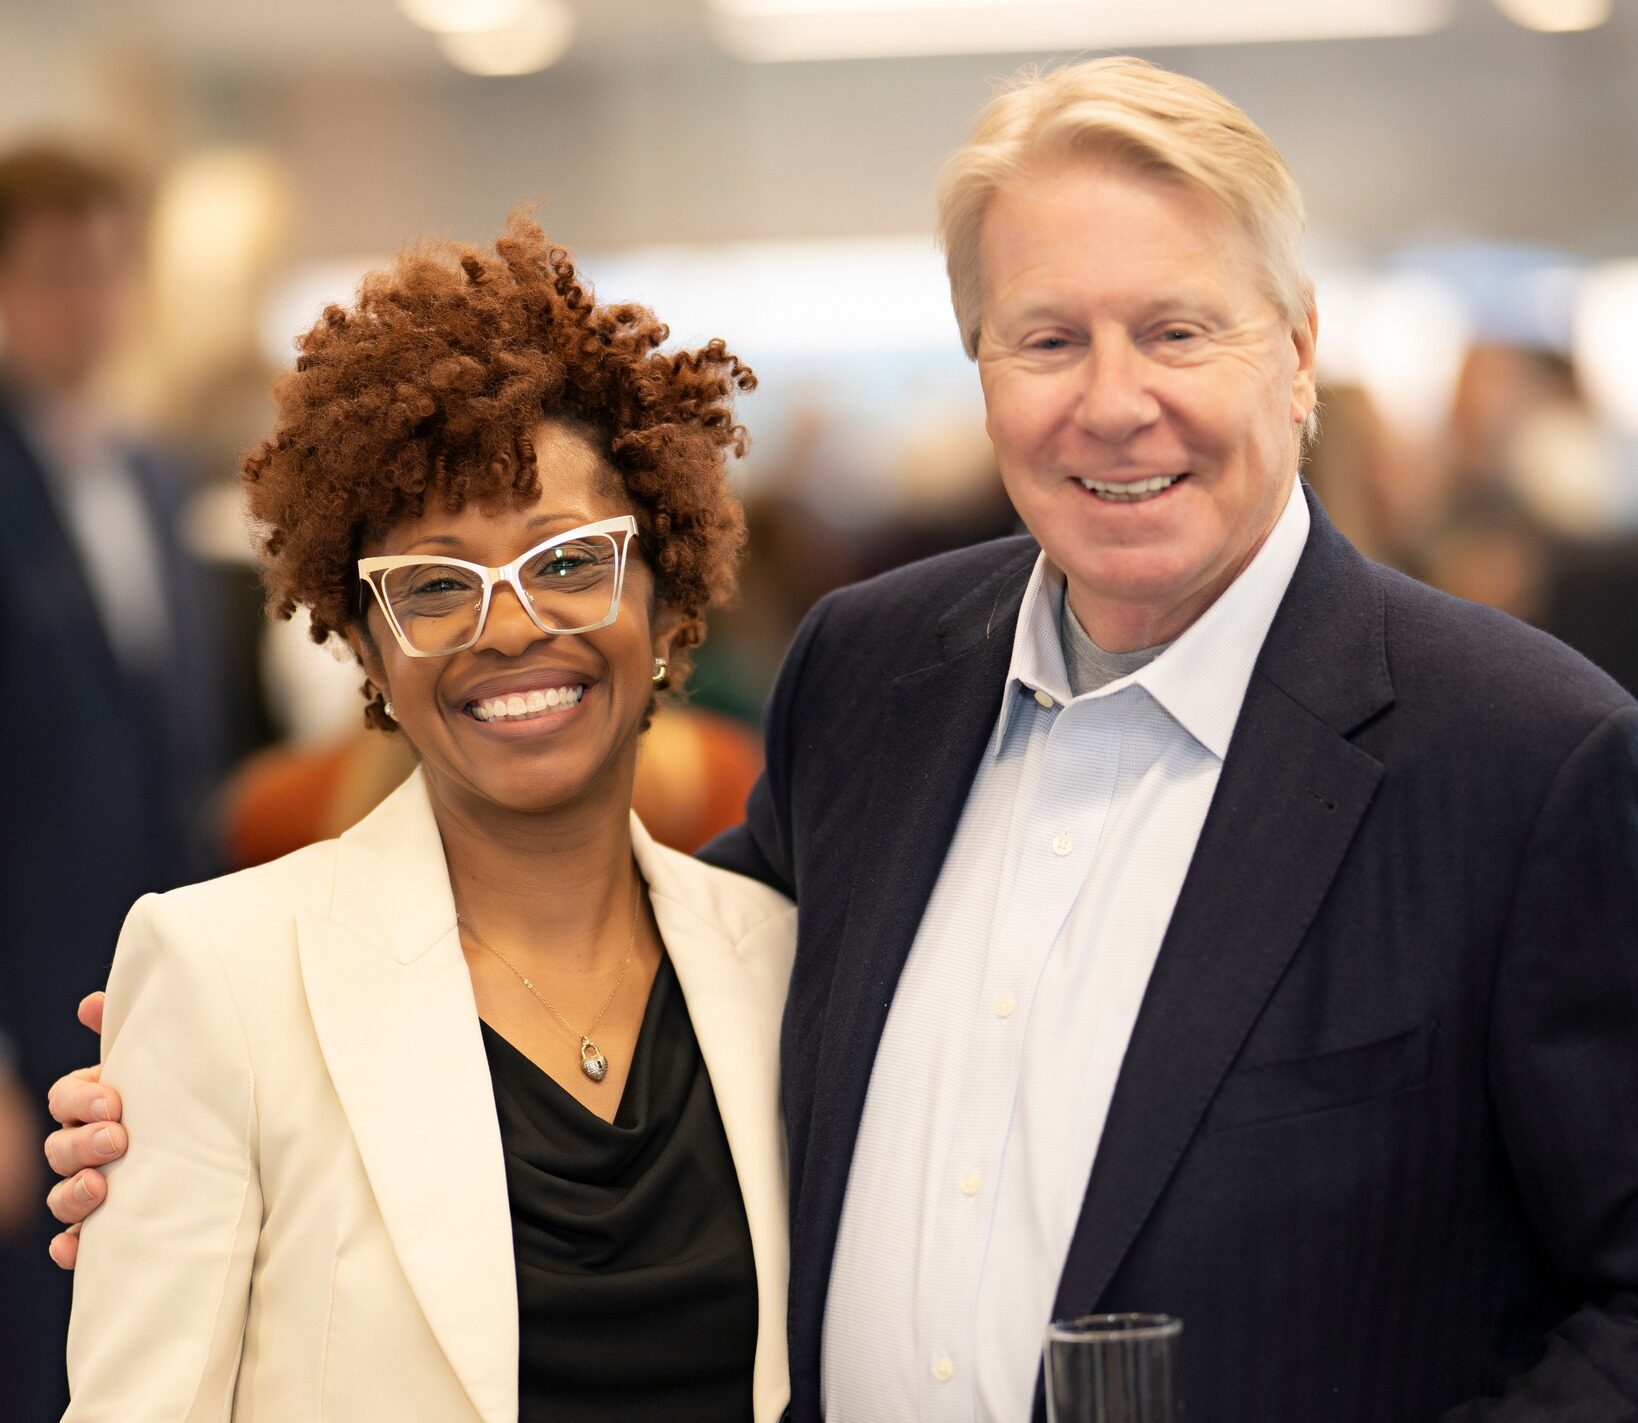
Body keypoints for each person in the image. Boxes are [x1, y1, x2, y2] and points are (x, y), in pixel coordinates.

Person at [47, 57, 1638, 1423]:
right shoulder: (878, 679)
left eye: (1174, 330)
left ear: (1294, 348)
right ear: (981, 368)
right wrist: (201, 1085)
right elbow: (632, 960)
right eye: (1045, 339)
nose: (1111, 402)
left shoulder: (1522, 758)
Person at [49, 217, 794, 1422]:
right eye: (436, 585)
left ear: (666, 601)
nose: (508, 629)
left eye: (566, 561)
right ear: (364, 644)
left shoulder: (787, 961)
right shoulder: (223, 973)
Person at [0, 142, 228, 1421]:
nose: (86, 302)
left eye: (106, 271)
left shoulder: (151, 473)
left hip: (144, 988)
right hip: (23, 996)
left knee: (136, 1313)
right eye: (52, 274)